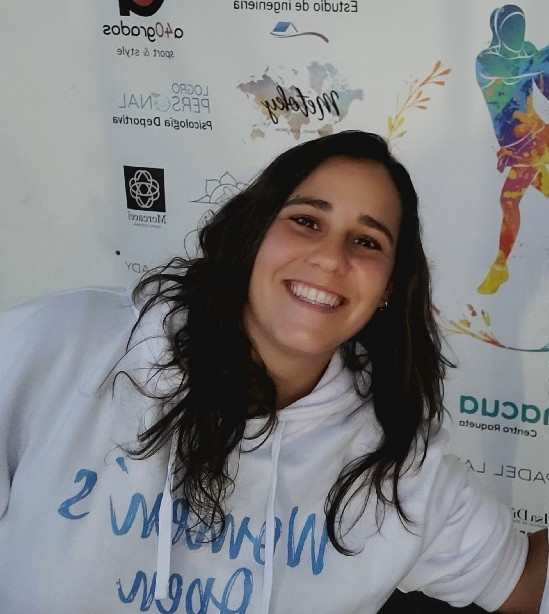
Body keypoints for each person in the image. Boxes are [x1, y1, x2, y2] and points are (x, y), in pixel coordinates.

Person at [0, 131, 546, 613]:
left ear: (387, 289)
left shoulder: (398, 467)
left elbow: (523, 581)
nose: (331, 257)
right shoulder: (64, 345)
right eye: (307, 221)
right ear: (253, 234)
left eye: (367, 241)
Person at [476, 4, 549, 295]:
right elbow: (515, 73)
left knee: (508, 201)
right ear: (498, 31)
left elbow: (543, 86)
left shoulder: (528, 52)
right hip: (516, 147)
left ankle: (499, 267)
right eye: (511, 28)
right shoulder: (487, 60)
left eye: (521, 27)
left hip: (535, 141)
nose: (518, 34)